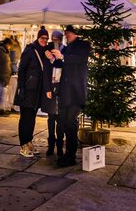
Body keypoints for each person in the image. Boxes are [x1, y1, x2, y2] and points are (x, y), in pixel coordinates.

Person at [48, 25, 91, 167]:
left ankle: (71, 156)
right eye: (65, 33)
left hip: (76, 92)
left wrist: (62, 56)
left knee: (70, 122)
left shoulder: (83, 45)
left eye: (68, 33)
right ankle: (68, 154)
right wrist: (53, 58)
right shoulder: (67, 48)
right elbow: (61, 64)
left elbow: (78, 59)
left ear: (75, 33)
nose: (66, 36)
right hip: (65, 92)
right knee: (64, 122)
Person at [16, 28, 50, 158]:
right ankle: (23, 145)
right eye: (42, 38)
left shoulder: (45, 52)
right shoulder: (30, 50)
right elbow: (21, 69)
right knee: (25, 118)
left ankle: (29, 142)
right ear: (38, 38)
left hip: (37, 91)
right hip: (27, 90)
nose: (44, 40)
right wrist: (21, 87)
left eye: (46, 38)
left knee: (32, 118)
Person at [46, 29, 65, 156]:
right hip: (52, 87)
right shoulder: (49, 51)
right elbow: (46, 70)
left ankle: (59, 146)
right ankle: (51, 144)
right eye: (52, 40)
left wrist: (58, 57)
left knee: (61, 119)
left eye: (57, 40)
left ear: (61, 40)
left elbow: (65, 66)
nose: (55, 42)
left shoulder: (65, 51)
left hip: (62, 88)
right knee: (51, 118)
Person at [0, 38, 12, 115]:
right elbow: (3, 63)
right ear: (7, 44)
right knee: (0, 94)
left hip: (2, 75)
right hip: (1, 75)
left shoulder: (2, 51)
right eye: (9, 45)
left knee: (0, 93)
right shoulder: (1, 51)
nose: (9, 47)